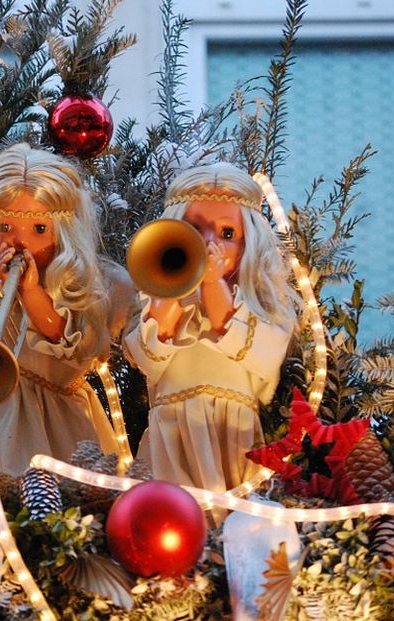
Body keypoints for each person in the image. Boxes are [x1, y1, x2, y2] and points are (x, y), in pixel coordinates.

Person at [0, 143, 119, 474]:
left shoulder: (71, 287)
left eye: (39, 230)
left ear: (64, 232)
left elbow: (71, 340)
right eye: (6, 227)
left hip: (55, 415)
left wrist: (32, 292)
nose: (21, 241)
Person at [123, 162, 300, 502]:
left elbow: (246, 344)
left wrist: (213, 282)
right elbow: (148, 358)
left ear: (250, 243)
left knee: (234, 520)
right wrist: (171, 290)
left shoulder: (259, 305)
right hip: (171, 433)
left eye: (227, 234)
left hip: (233, 435)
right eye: (195, 229)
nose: (209, 244)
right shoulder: (160, 296)